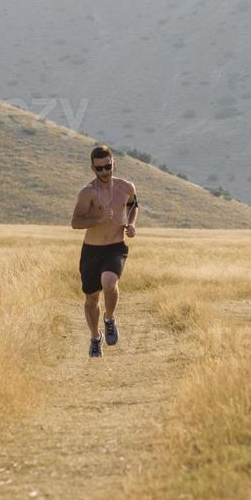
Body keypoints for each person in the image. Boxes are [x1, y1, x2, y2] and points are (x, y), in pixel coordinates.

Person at [70, 145, 139, 358]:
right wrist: (96, 220)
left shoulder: (126, 187)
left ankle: (109, 319)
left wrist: (131, 223)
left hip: (116, 247)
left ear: (114, 164)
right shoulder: (87, 193)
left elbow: (133, 205)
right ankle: (95, 337)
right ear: (92, 168)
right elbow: (75, 222)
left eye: (108, 167)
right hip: (91, 250)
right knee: (91, 299)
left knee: (110, 283)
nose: (104, 172)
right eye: (99, 168)